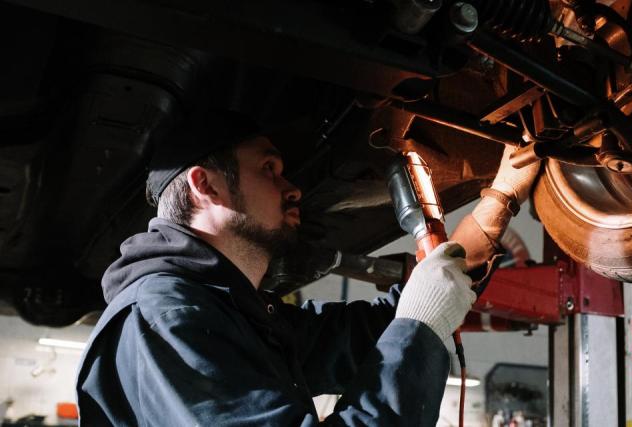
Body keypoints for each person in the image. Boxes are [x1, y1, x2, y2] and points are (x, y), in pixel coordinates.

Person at [75, 110, 538, 426]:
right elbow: (412, 326)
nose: (293, 187)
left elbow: (380, 331)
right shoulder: (166, 318)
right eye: (269, 169)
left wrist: (500, 201)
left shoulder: (236, 317)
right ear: (206, 185)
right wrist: (421, 325)